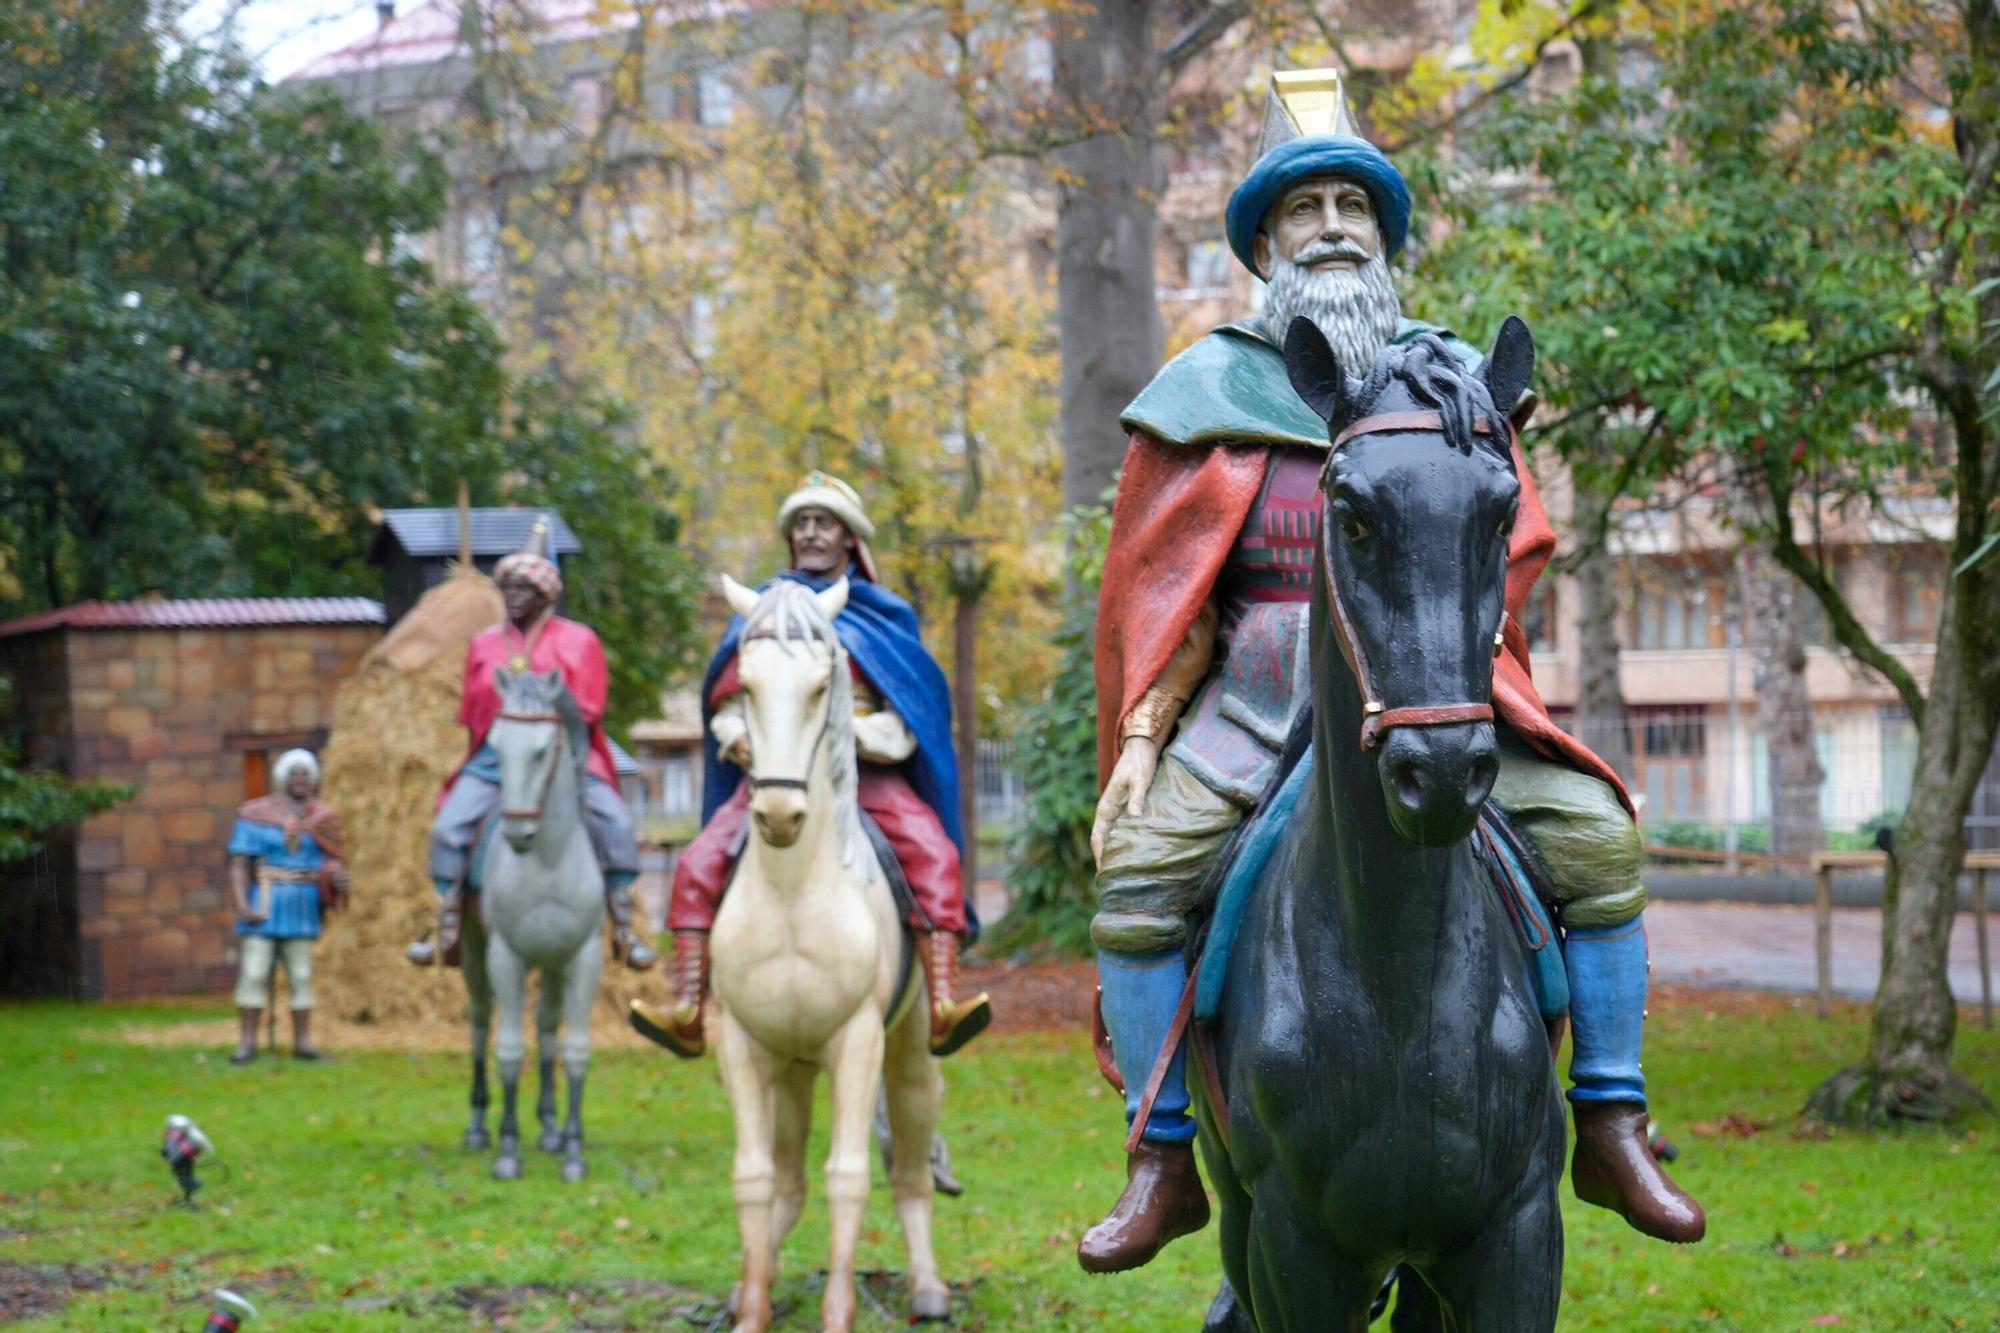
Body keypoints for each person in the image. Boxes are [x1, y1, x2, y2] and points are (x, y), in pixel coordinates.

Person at [1076, 70, 1706, 1273]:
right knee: (1142, 869)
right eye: (1301, 209)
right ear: (1263, 244)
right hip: (1256, 692)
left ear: (1382, 235)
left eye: (1349, 208)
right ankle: (1161, 1156)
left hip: (1428, 675)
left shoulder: (1450, 383)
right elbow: (1170, 603)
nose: (1327, 229)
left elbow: (1499, 542)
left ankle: (1611, 1119)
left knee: (1594, 834)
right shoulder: (1204, 398)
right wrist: (1148, 736)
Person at [630, 472, 991, 1060]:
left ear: (850, 537)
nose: (812, 533)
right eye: (801, 523)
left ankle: (943, 1003)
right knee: (698, 861)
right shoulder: (762, 609)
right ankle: (690, 1007)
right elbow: (725, 702)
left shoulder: (884, 615)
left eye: (824, 523)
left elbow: (910, 712)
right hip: (775, 773)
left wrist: (851, 733)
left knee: (932, 852)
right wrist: (738, 738)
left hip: (865, 777)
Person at [408, 518, 658, 971]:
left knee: (617, 824)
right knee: (449, 828)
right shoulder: (484, 644)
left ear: (546, 595)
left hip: (565, 756)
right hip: (494, 759)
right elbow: (473, 711)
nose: (513, 596)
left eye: (523, 588)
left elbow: (589, 707)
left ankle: (623, 926)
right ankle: (445, 924)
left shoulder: (580, 641)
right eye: (508, 588)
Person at [229, 748, 348, 1062]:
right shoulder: (256, 815)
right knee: (254, 972)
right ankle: (247, 1041)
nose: (300, 780)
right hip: (265, 902)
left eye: (306, 774)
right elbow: (240, 864)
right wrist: (242, 903)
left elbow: (333, 858)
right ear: (282, 778)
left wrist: (334, 876)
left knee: (301, 973)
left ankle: (303, 1040)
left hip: (301, 905)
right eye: (294, 774)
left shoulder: (323, 818)